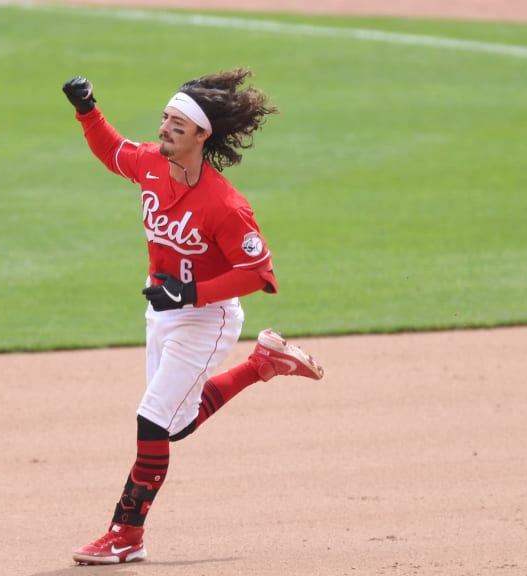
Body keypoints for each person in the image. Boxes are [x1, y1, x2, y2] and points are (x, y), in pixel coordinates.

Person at [61, 68, 325, 566]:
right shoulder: (151, 165)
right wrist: (88, 109)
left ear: (202, 135)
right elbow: (112, 151)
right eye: (164, 119)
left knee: (152, 420)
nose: (164, 129)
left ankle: (126, 534)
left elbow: (257, 273)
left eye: (177, 125)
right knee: (174, 427)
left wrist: (191, 293)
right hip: (164, 312)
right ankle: (261, 364)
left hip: (208, 319)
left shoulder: (226, 205)